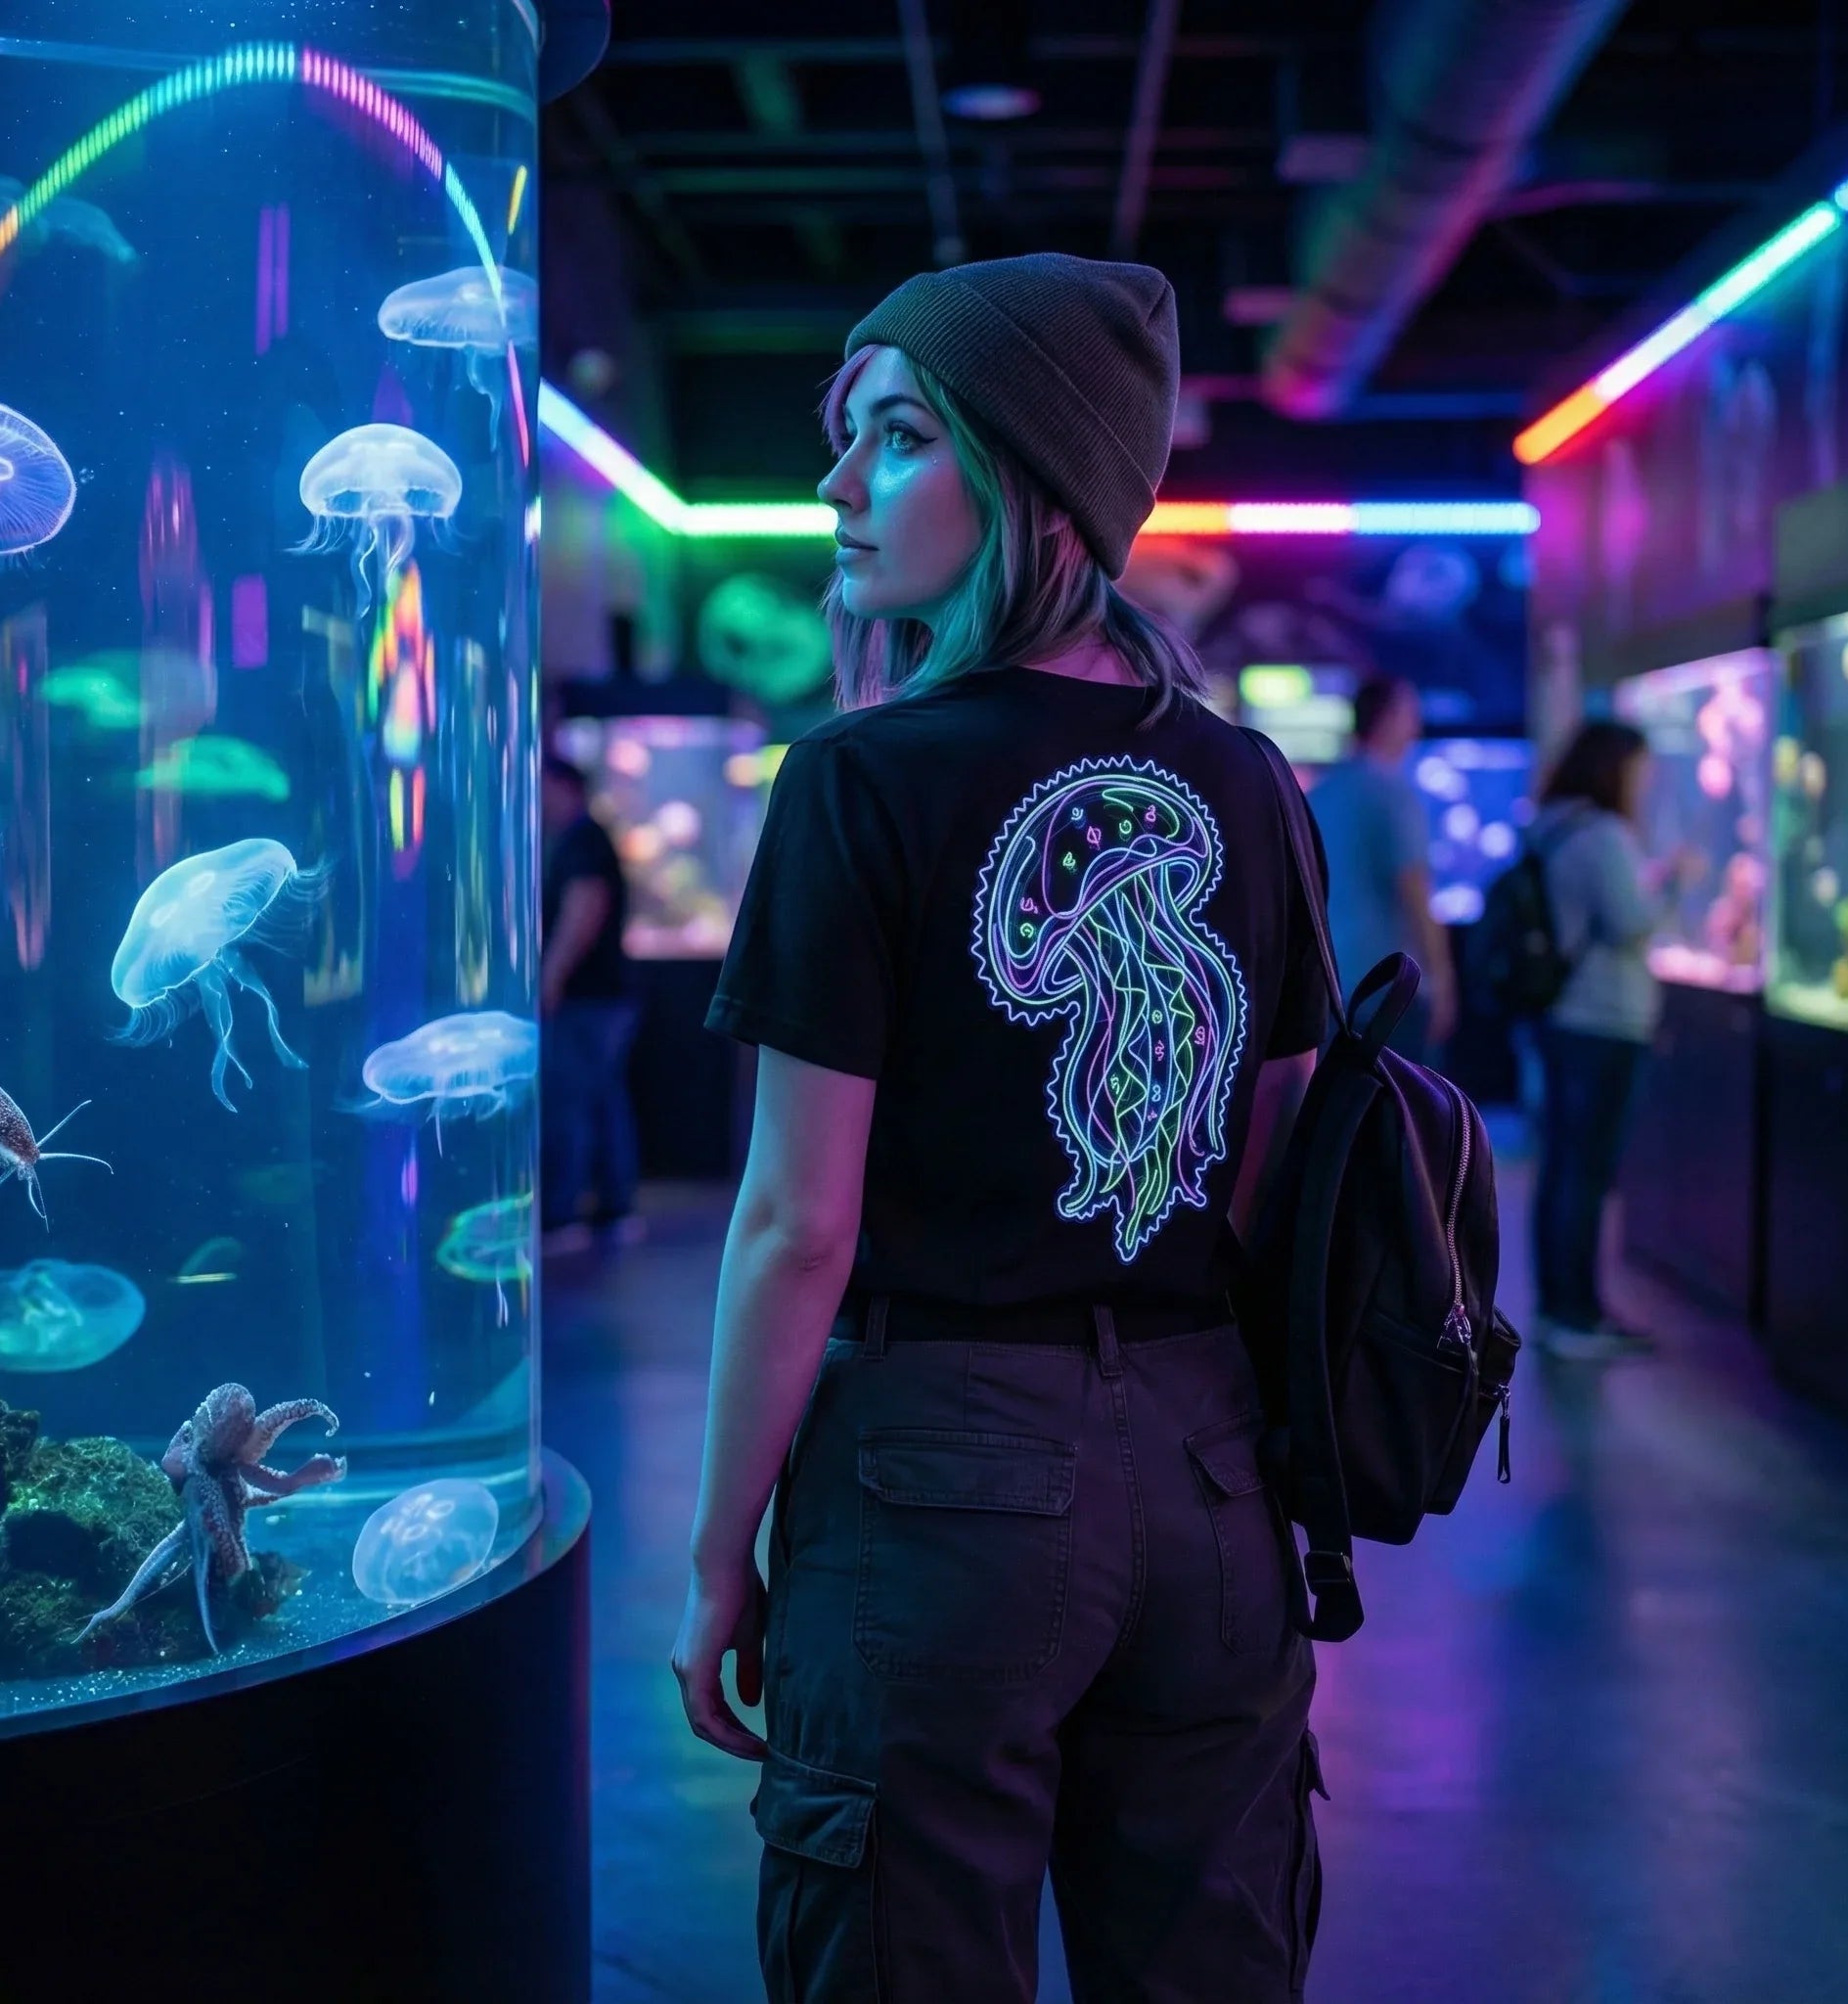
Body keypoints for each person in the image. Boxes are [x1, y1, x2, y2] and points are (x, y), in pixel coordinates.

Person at [671, 251, 1335, 2003]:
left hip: (937, 1476)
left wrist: (713, 1549)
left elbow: (792, 1227)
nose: (834, 485)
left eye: (892, 438)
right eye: (844, 440)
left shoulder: (858, 778)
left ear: (1029, 473)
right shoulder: (1253, 783)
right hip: (1209, 1476)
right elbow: (1269, 1176)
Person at [1529, 718, 1692, 1361]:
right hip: (1604, 1020)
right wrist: (1673, 878)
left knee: (1564, 1166)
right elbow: (1631, 921)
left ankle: (1560, 1307)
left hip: (1565, 1017)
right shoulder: (1602, 835)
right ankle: (1576, 1314)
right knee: (1587, 1172)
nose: (1647, 782)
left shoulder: (1554, 824)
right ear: (1615, 768)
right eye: (1641, 769)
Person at [1306, 675, 1457, 1063]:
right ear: (1387, 719)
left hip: (1331, 986)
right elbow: (1414, 890)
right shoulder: (1395, 795)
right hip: (1391, 988)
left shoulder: (1320, 795)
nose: (1417, 729)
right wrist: (1441, 981)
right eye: (1410, 716)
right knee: (1403, 1112)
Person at [540, 752, 640, 1247]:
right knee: (602, 1099)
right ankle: (614, 1208)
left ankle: (564, 1214)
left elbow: (585, 908)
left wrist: (551, 976)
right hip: (608, 995)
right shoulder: (590, 837)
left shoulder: (582, 840)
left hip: (589, 997)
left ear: (565, 786)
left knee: (570, 1100)